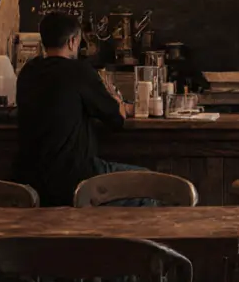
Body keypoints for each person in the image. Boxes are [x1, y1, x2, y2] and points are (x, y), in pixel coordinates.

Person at [14, 11, 151, 207]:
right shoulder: (79, 71)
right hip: (74, 181)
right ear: (72, 41)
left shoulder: (28, 72)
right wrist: (116, 100)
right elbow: (116, 118)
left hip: (29, 182)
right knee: (149, 184)